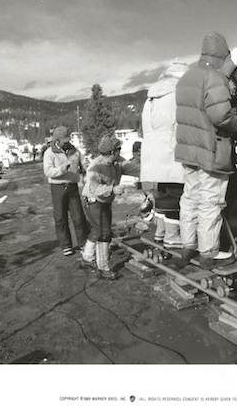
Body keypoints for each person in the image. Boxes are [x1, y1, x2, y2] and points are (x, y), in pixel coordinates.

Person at [174, 31, 237, 270]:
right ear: (222, 54)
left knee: (190, 198)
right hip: (211, 150)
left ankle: (188, 246)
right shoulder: (214, 78)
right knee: (210, 201)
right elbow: (221, 116)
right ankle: (208, 251)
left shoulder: (186, 76)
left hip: (189, 152)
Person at [141, 60, 189, 251]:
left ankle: (161, 232)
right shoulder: (177, 94)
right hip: (171, 148)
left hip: (152, 150)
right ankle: (172, 236)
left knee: (161, 192)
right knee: (176, 194)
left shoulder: (151, 97)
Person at [80, 134, 140, 280]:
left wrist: (148, 172)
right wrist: (112, 190)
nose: (120, 151)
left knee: (97, 230)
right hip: (94, 200)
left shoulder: (117, 162)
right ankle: (103, 267)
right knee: (104, 233)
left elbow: (132, 168)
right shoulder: (96, 167)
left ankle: (87, 258)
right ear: (113, 152)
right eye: (118, 149)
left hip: (104, 201)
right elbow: (94, 188)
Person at [43, 126, 88, 257]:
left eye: (67, 139)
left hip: (72, 186)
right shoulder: (49, 153)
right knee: (60, 218)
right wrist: (62, 169)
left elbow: (83, 162)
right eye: (63, 140)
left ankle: (83, 242)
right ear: (57, 140)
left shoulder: (74, 151)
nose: (66, 142)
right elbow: (48, 171)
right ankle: (66, 245)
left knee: (78, 216)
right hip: (58, 187)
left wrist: (86, 167)